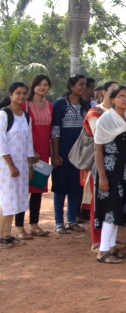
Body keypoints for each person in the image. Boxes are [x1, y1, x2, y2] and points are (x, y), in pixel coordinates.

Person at [93, 86, 126, 264]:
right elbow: (97, 149)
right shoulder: (106, 119)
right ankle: (102, 251)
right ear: (112, 99)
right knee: (111, 210)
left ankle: (111, 247)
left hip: (123, 171)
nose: (125, 100)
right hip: (109, 171)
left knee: (118, 207)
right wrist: (102, 176)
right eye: (121, 96)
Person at [51, 74, 91, 234]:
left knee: (76, 185)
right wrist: (55, 154)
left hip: (80, 152)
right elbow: (55, 130)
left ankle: (72, 219)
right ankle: (59, 222)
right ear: (71, 86)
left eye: (85, 85)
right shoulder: (60, 104)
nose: (83, 88)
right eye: (80, 84)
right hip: (63, 150)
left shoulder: (85, 105)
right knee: (60, 186)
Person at [15, 75, 53, 238]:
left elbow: (51, 132)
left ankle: (34, 225)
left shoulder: (49, 106)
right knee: (23, 191)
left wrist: (51, 152)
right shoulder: (25, 105)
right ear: (33, 86)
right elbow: (23, 130)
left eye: (45, 85)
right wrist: (31, 152)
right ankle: (19, 227)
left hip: (43, 153)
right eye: (39, 84)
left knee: (37, 190)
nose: (42, 87)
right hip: (27, 153)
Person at [83, 81, 117, 250]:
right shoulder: (95, 112)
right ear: (104, 92)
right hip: (99, 163)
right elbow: (99, 137)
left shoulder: (118, 112)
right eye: (113, 91)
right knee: (97, 201)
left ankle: (109, 238)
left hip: (116, 163)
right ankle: (97, 240)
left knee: (112, 201)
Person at [0, 82, 35, 249]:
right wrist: (11, 166)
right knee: (5, 199)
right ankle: (1, 236)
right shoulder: (3, 115)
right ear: (10, 94)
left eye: (24, 93)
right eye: (18, 93)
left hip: (21, 165)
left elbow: (29, 143)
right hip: (6, 166)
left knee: (16, 199)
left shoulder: (26, 116)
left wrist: (29, 167)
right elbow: (1, 143)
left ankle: (7, 235)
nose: (21, 96)